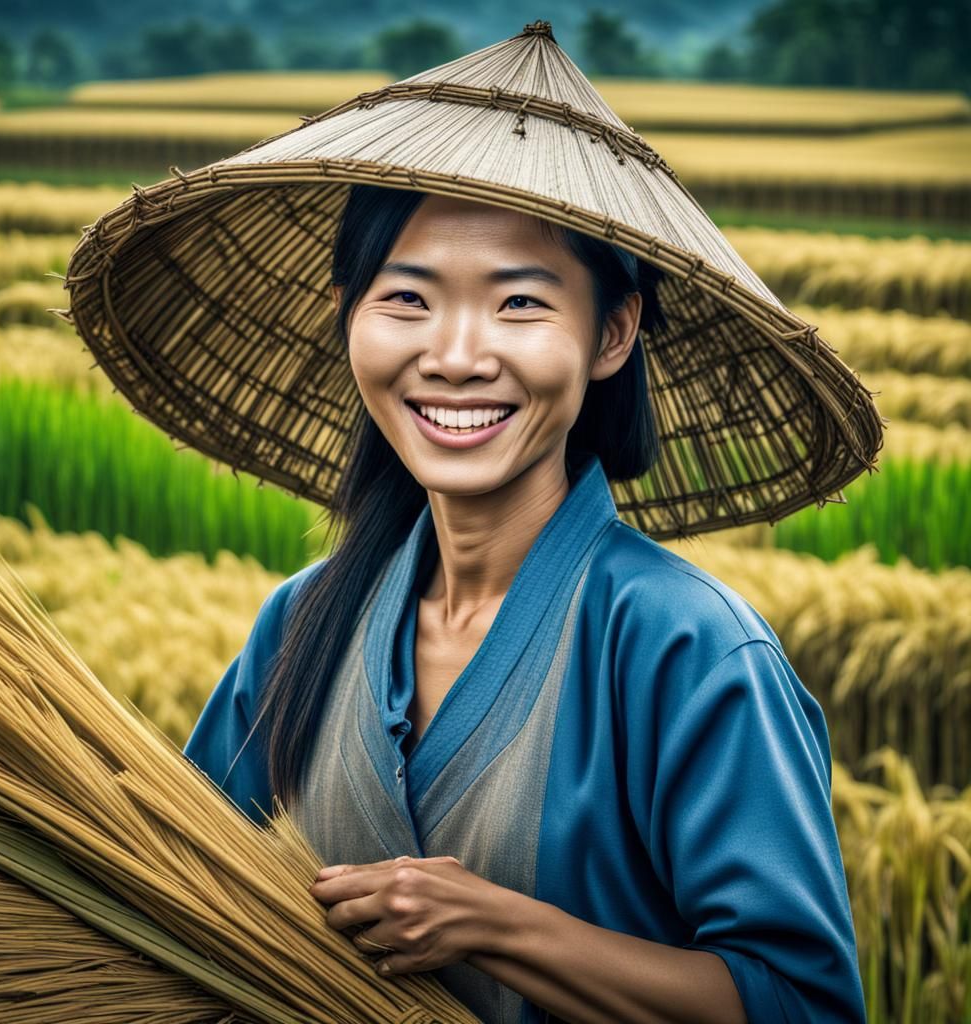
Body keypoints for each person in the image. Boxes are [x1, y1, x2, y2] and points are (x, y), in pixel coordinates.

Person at [64, 20, 879, 1024]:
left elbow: (800, 1001)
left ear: (611, 332)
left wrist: (494, 924)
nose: (454, 355)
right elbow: (164, 879)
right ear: (346, 314)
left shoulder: (689, 649)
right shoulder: (306, 620)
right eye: (406, 298)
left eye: (518, 305)